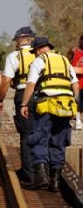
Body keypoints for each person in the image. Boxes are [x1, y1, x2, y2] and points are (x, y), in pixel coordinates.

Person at [20, 36, 79, 192]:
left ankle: (42, 178)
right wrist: (75, 103)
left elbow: (31, 84)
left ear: (38, 49)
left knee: (39, 138)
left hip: (47, 104)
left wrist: (24, 104)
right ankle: (55, 182)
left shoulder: (40, 61)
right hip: (65, 106)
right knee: (58, 141)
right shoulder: (65, 61)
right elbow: (75, 84)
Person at [0, 26, 36, 186]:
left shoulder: (14, 56)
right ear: (31, 39)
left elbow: (6, 80)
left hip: (23, 96)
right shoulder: (42, 55)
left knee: (26, 135)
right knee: (41, 133)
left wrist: (0, 99)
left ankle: (28, 173)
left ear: (18, 40)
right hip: (42, 96)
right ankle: (42, 171)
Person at [67, 34, 83, 130]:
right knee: (76, 103)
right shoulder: (74, 51)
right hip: (77, 83)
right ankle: (77, 121)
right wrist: (75, 69)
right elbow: (66, 63)